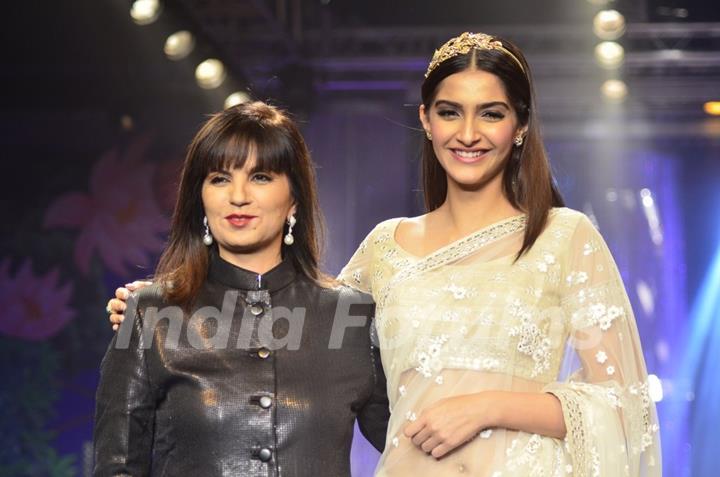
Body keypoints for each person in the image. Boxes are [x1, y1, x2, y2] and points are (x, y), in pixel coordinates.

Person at [109, 32, 662, 476]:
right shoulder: (386, 247)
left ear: (519, 126)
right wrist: (168, 308)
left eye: (491, 113)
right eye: (450, 112)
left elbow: (624, 404)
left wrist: (488, 407)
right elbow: (294, 331)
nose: (468, 133)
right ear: (426, 119)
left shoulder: (562, 236)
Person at [94, 101, 389, 477]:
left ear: (294, 200)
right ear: (200, 198)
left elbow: (415, 447)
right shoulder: (150, 313)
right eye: (219, 178)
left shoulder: (351, 317)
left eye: (261, 177)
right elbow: (116, 467)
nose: (238, 196)